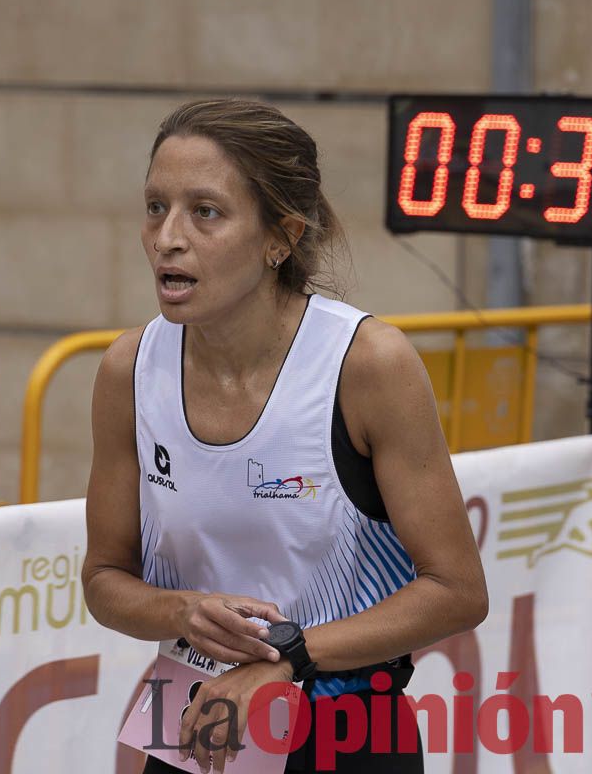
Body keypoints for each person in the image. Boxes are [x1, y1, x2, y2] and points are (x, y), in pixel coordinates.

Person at [82, 99, 488, 774]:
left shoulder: (367, 364)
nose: (167, 238)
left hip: (344, 727)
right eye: (156, 207)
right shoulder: (129, 369)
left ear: (281, 238)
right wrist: (184, 611)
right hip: (195, 714)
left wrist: (292, 655)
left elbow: (457, 591)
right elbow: (103, 579)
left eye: (205, 212)